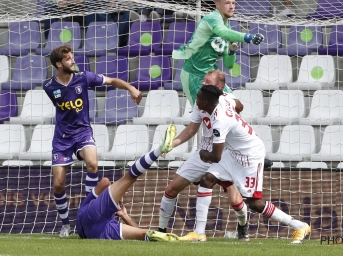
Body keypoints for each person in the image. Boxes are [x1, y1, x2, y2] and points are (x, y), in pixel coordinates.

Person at [182, 85, 311, 244]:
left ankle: (299, 226)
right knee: (207, 180)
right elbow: (239, 105)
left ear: (206, 102)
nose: (196, 101)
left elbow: (215, 156)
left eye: (199, 98)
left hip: (250, 156)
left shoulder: (220, 121)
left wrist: (203, 153)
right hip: (234, 152)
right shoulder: (223, 100)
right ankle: (199, 233)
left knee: (254, 203)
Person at [43, 44, 142, 237]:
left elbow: (112, 80)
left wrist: (131, 88)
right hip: (62, 139)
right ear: (58, 64)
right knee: (58, 184)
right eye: (68, 59)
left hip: (82, 133)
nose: (73, 61)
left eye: (72, 57)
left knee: (93, 164)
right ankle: (65, 225)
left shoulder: (84, 77)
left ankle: (89, 211)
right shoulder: (49, 87)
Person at [158, 70, 248, 242]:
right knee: (171, 189)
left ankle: (242, 225)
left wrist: (234, 103)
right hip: (204, 152)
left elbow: (240, 107)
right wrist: (172, 144)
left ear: (219, 86)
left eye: (207, 81)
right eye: (204, 81)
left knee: (236, 202)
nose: (203, 83)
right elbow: (192, 130)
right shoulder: (201, 102)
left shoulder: (226, 101)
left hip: (225, 154)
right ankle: (161, 229)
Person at [76, 124, 180, 241]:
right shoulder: (107, 215)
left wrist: (120, 207)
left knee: (129, 178)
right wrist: (122, 212)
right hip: (102, 228)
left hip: (89, 222)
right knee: (142, 233)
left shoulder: (86, 206)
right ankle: (159, 150)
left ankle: (160, 149)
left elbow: (105, 182)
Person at [172, 0, 264, 107]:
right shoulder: (213, 18)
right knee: (204, 114)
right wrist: (248, 37)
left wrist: (231, 50)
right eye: (227, 3)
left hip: (211, 76)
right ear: (217, 4)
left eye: (233, 3)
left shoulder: (227, 26)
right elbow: (224, 33)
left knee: (235, 106)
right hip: (193, 75)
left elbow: (228, 64)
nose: (231, 7)